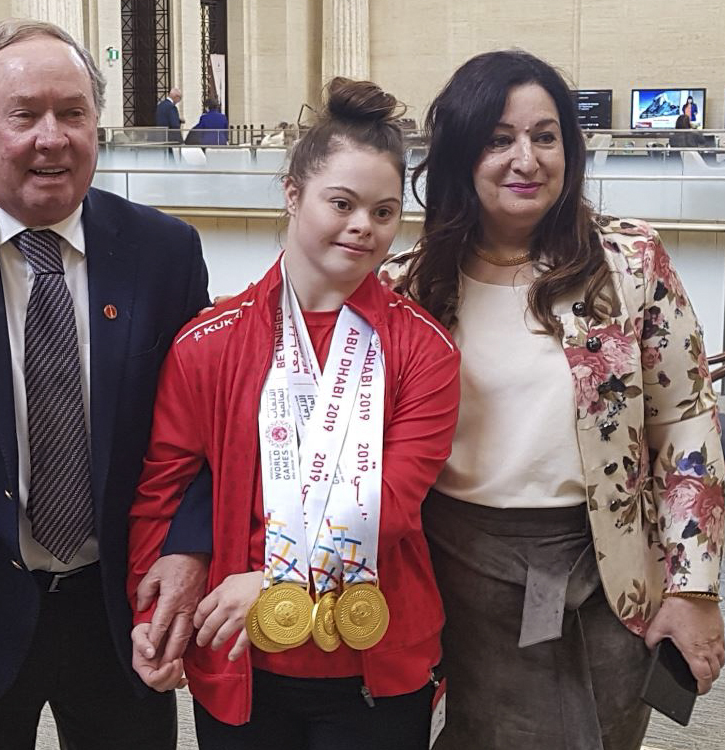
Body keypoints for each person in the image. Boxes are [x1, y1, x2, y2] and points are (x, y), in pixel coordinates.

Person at [0, 20, 211, 750]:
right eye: (24, 115)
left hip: (119, 607)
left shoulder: (165, 252)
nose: (52, 138)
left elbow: (205, 429)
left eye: (73, 112)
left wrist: (190, 547)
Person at [380, 50, 725, 749]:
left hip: (608, 571)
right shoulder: (407, 286)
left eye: (546, 136)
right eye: (498, 139)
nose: (526, 159)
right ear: (460, 155)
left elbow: (685, 423)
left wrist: (693, 589)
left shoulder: (630, 263)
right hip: (460, 572)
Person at [128, 77, 460, 749]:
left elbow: (392, 502)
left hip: (376, 653)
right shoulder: (207, 344)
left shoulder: (424, 349)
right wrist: (155, 613)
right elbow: (163, 488)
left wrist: (276, 578)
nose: (364, 225)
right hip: (240, 658)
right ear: (291, 193)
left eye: (384, 211)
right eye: (342, 203)